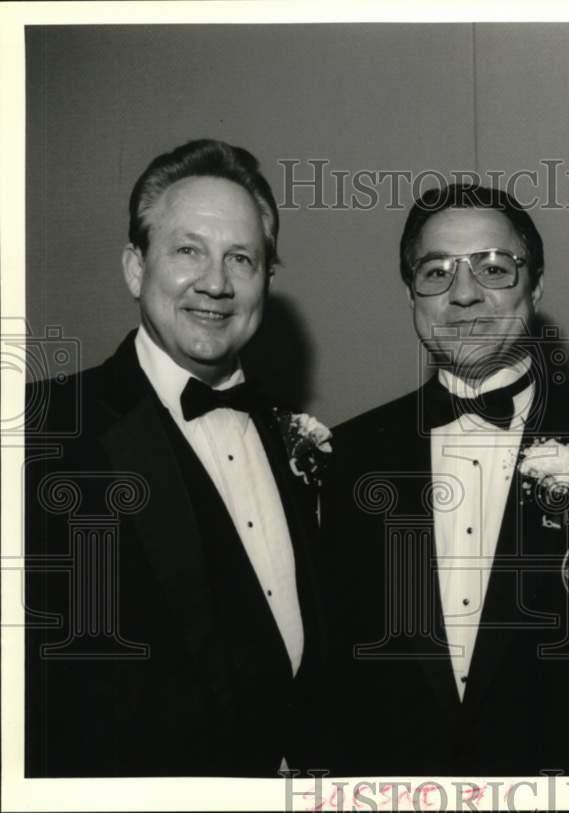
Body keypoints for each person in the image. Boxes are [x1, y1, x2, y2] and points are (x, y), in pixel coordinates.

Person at [320, 184, 569, 776]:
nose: (464, 294)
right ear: (409, 293)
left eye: (494, 268)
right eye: (436, 272)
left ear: (536, 284)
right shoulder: (349, 459)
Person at [24, 139, 328, 776]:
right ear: (136, 268)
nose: (215, 283)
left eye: (240, 258)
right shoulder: (41, 432)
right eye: (188, 250)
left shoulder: (292, 440)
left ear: (266, 280)